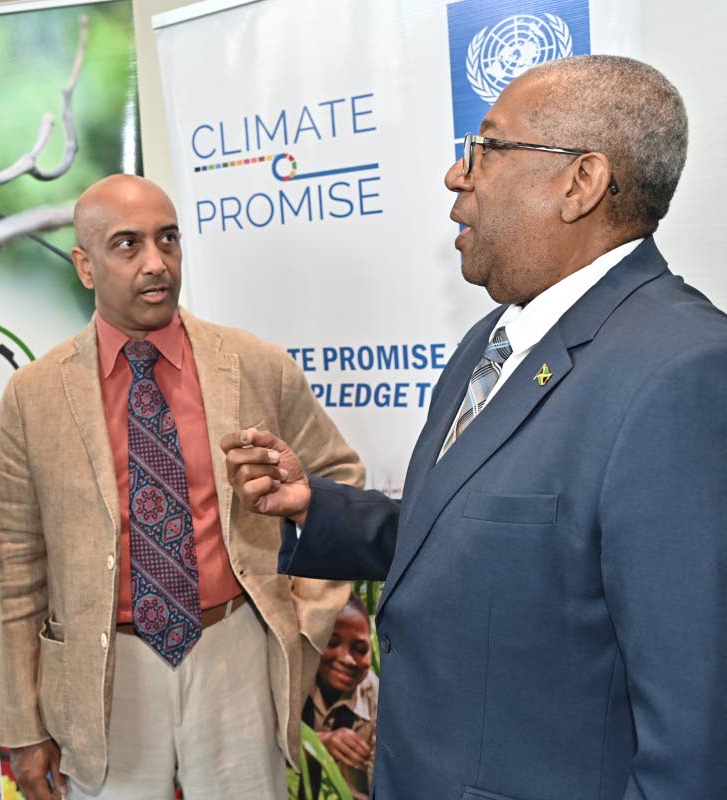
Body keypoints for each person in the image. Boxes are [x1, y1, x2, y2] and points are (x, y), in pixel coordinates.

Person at [223, 55, 727, 798]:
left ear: (580, 182)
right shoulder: (494, 340)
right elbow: (486, 547)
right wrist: (317, 509)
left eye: (486, 148)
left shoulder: (683, 372)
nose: (456, 176)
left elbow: (695, 730)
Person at [0, 174, 365, 800]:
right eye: (127, 245)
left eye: (167, 239)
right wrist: (25, 729)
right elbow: (18, 567)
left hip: (235, 649)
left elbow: (338, 480)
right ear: (84, 266)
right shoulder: (34, 395)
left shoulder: (253, 365)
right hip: (103, 672)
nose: (156, 263)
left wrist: (308, 615)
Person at [301, 592, 377, 800]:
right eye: (332, 643)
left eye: (360, 649)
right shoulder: (293, 683)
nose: (348, 659)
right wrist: (320, 744)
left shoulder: (380, 703)